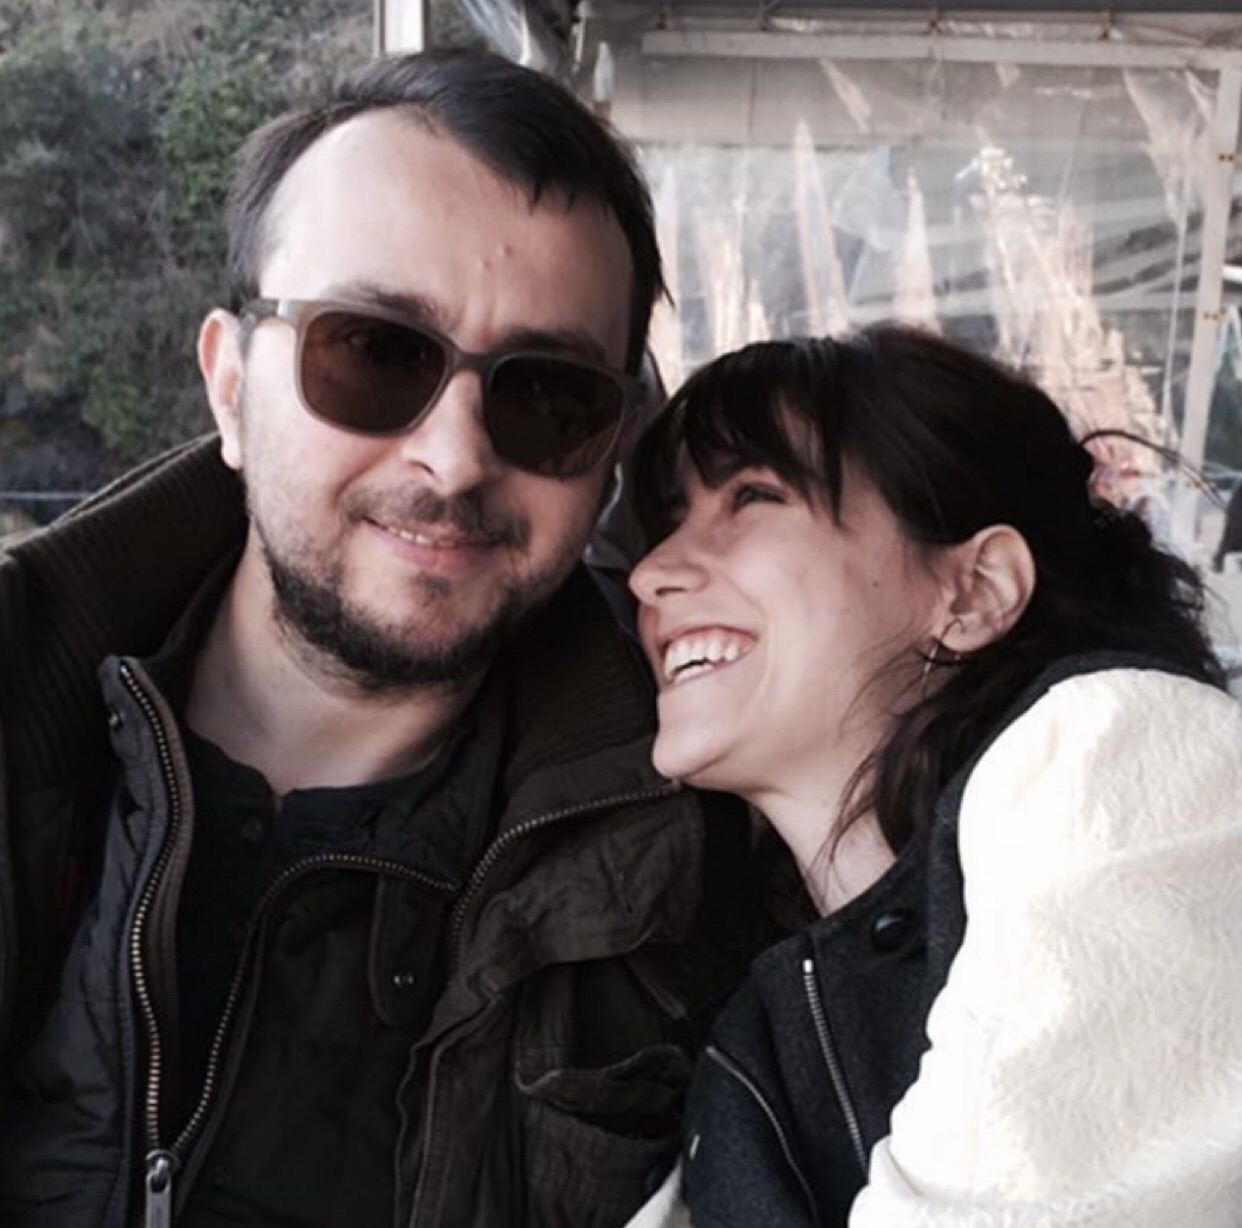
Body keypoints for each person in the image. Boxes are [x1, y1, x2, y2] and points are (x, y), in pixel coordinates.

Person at [0, 49, 759, 1227]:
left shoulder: (705, 870)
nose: (454, 460)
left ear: (611, 452)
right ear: (229, 386)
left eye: (548, 394)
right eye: (374, 351)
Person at [625, 324, 1242, 1227]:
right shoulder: (753, 1034)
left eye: (753, 496)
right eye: (671, 521)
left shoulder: (1117, 750)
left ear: (974, 591)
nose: (651, 573)